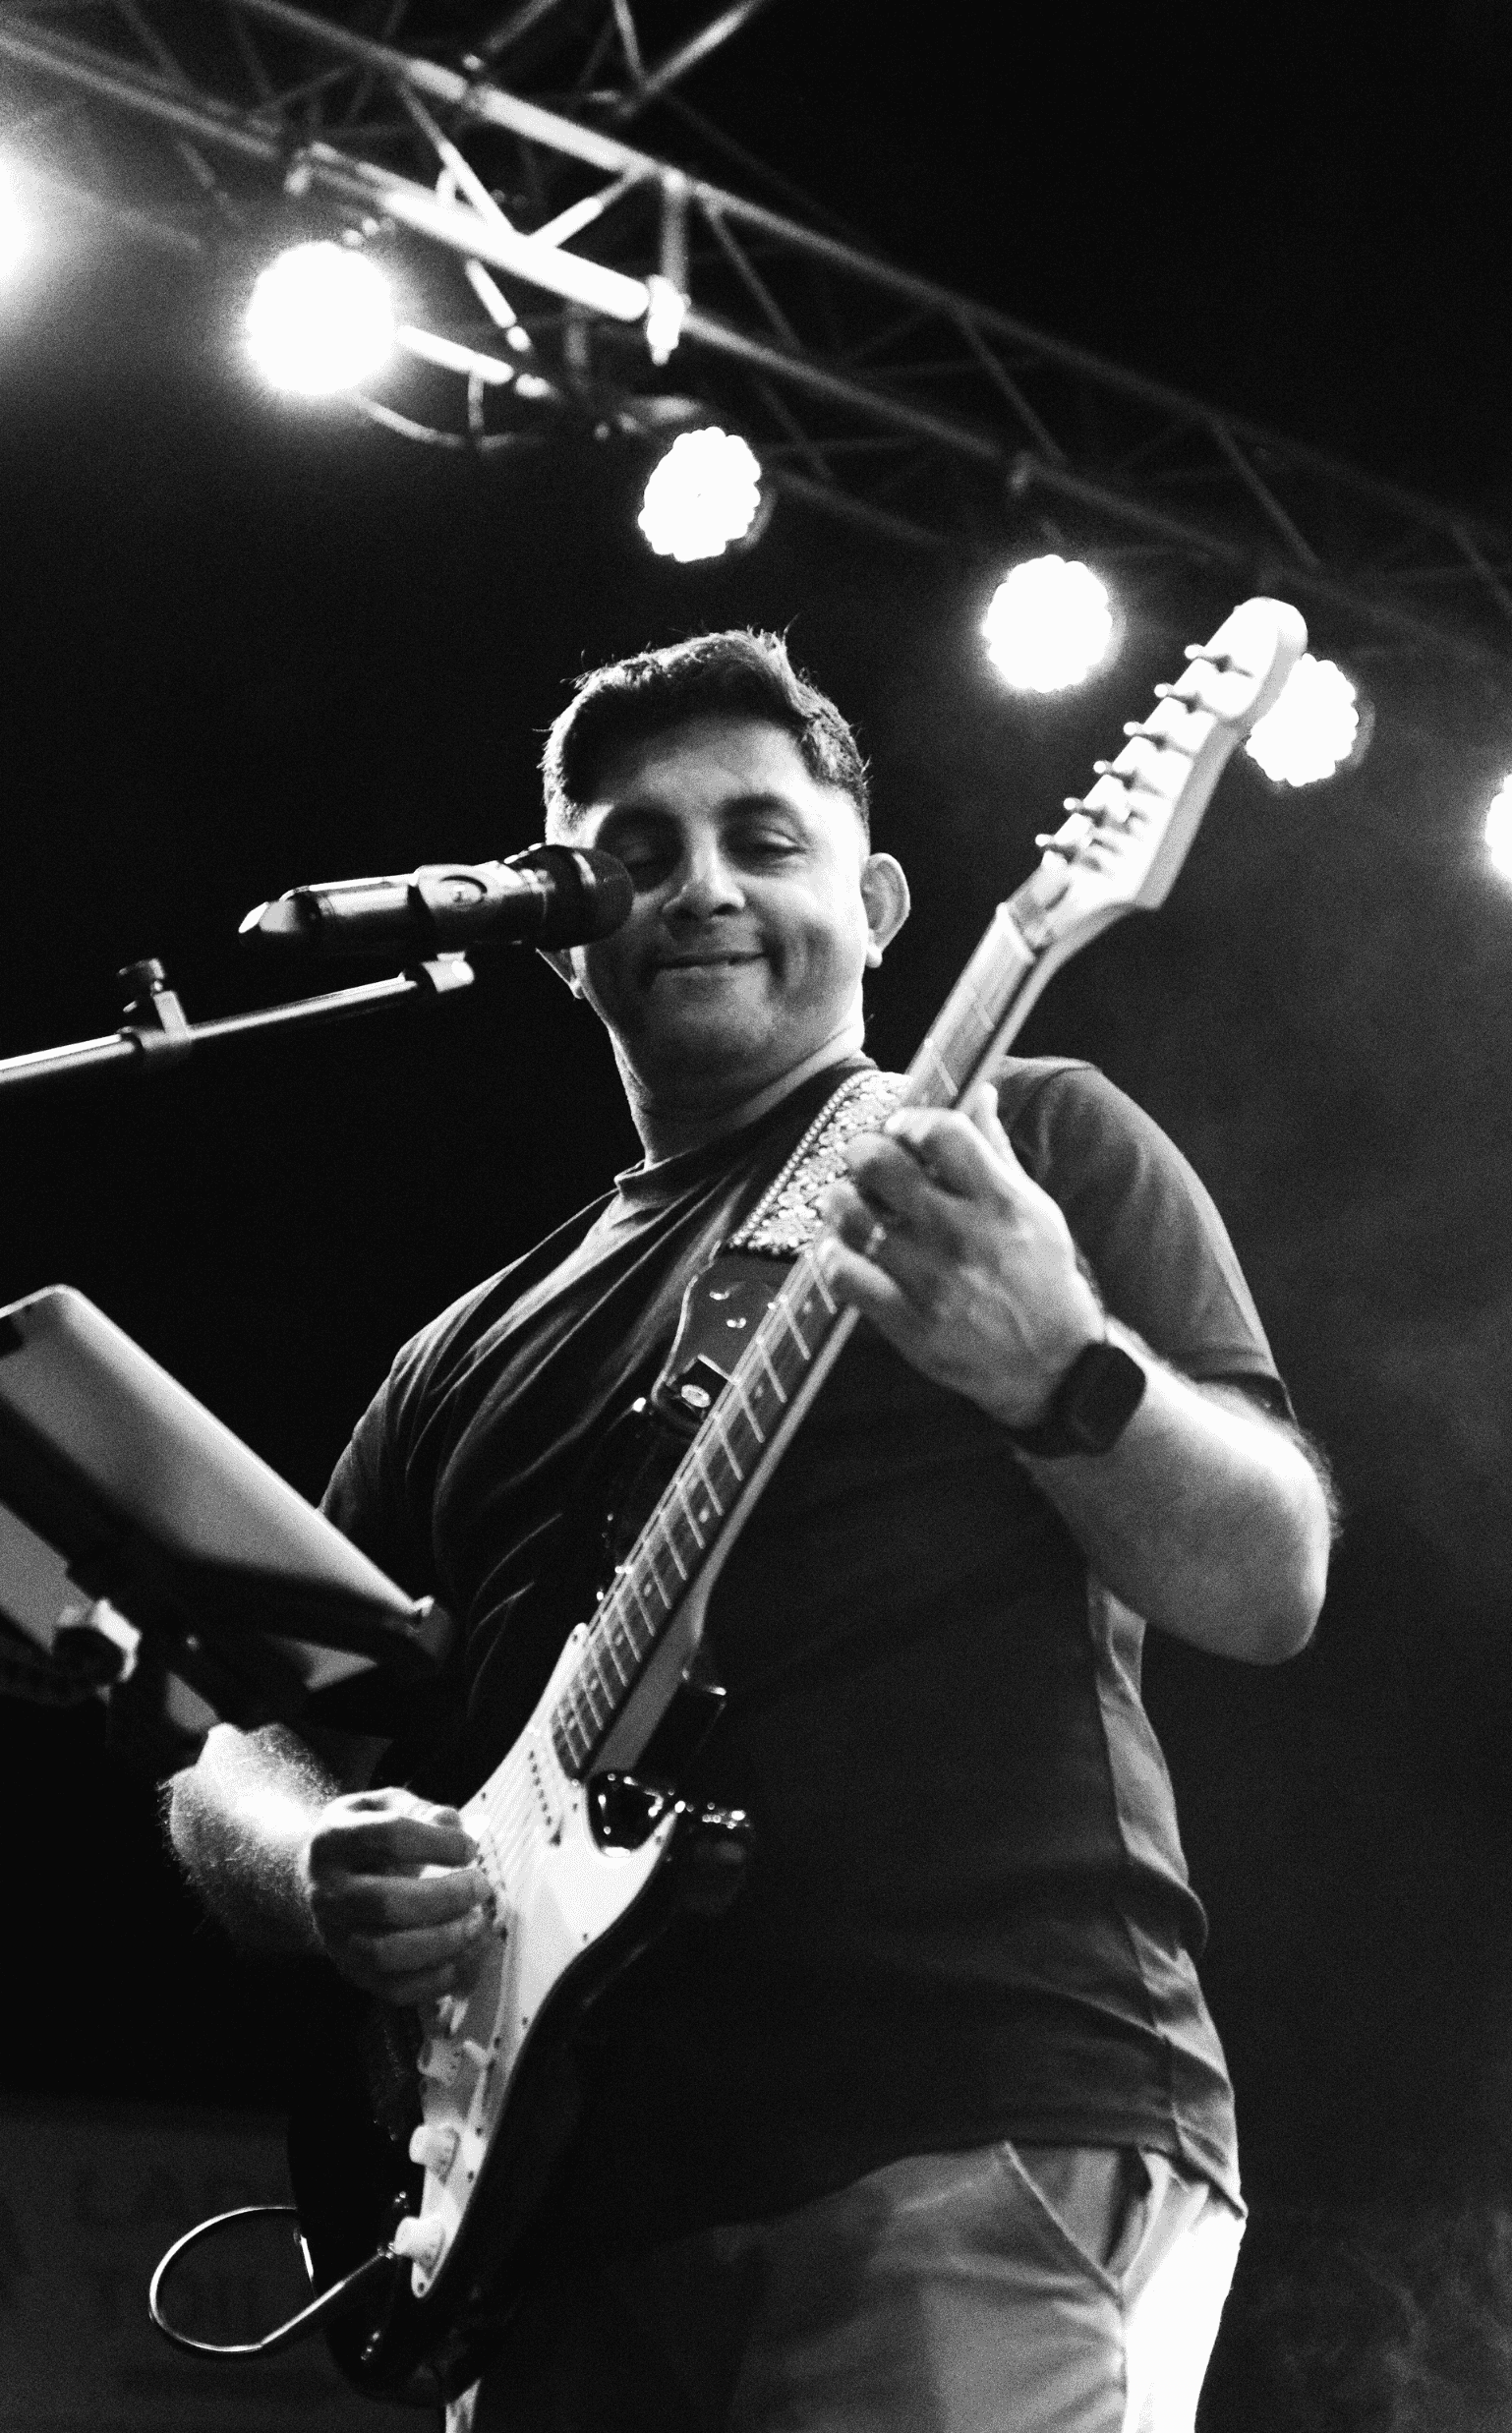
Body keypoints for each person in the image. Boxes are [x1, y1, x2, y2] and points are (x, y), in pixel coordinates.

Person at [167, 629, 1333, 2433]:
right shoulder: (459, 1350)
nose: (697, 884)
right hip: (543, 2226)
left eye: (760, 839)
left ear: (871, 899)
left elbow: (1265, 1579)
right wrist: (315, 1860)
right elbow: (245, 1739)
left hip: (960, 2124)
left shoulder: (1018, 1145)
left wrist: (1058, 1367)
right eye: (632, 851)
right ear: (562, 930)